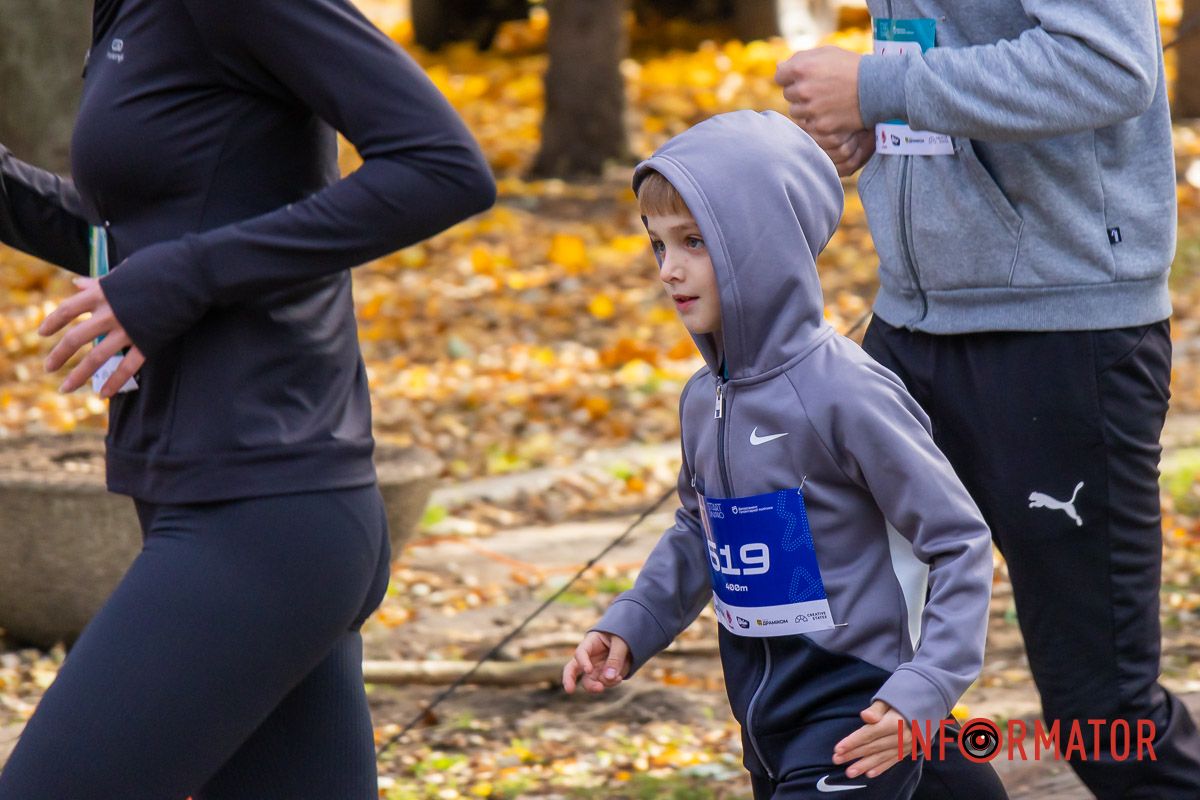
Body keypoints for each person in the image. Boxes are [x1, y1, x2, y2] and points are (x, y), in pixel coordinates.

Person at [0, 0, 495, 797]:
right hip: (223, 501)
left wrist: (185, 276)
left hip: (263, 511)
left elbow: (443, 167)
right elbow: (143, 237)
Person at [774, 2, 1200, 798]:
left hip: (1061, 333)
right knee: (852, 673)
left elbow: (1110, 65)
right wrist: (880, 123)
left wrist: (880, 84)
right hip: (906, 323)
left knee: (1103, 717)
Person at [562, 110, 995, 799]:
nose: (669, 270)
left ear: (761, 247)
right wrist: (631, 623)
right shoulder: (704, 398)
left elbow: (960, 541)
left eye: (695, 242)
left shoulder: (845, 392)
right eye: (658, 245)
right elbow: (698, 529)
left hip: (857, 715)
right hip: (767, 727)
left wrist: (925, 687)